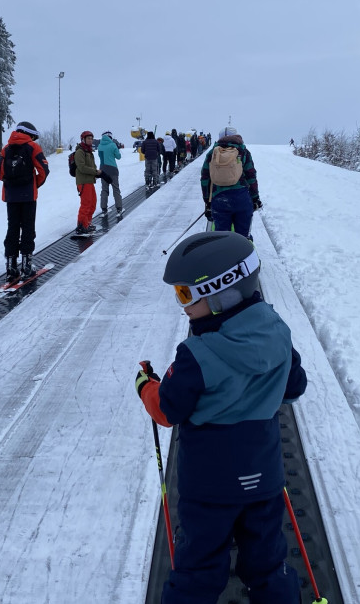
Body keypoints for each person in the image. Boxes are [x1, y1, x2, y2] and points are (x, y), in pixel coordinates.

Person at [135, 231, 307, 604]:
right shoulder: (277, 332)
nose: (181, 306)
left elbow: (167, 410)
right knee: (267, 562)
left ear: (219, 294)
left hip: (208, 488)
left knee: (198, 569)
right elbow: (294, 388)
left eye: (184, 294)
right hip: (264, 479)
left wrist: (146, 386)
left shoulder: (196, 355)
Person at [0, 121, 49, 279]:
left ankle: (11, 267)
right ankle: (27, 265)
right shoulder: (33, 147)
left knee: (12, 227)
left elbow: (0, 174)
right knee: (28, 227)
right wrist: (35, 184)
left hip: (11, 196)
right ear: (30, 134)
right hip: (28, 195)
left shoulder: (6, 149)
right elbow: (44, 170)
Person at [201, 126, 261, 240]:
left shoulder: (212, 153)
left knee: (222, 238)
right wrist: (255, 198)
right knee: (243, 237)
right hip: (242, 198)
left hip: (219, 200)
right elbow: (251, 176)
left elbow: (205, 179)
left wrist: (207, 203)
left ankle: (224, 255)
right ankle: (245, 254)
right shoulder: (243, 151)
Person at [73, 130, 101, 234]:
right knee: (86, 204)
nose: (90, 140)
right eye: (88, 138)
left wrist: (97, 173)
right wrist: (95, 172)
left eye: (91, 138)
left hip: (89, 181)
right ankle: (81, 226)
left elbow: (90, 166)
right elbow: (82, 167)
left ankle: (87, 223)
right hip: (83, 182)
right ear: (83, 139)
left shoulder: (88, 151)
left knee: (92, 203)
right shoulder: (80, 152)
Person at [97, 130, 125, 218]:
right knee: (116, 189)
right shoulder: (112, 145)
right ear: (110, 137)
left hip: (102, 170)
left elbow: (100, 157)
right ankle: (119, 208)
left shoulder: (100, 146)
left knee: (104, 190)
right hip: (113, 169)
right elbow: (118, 157)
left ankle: (104, 209)